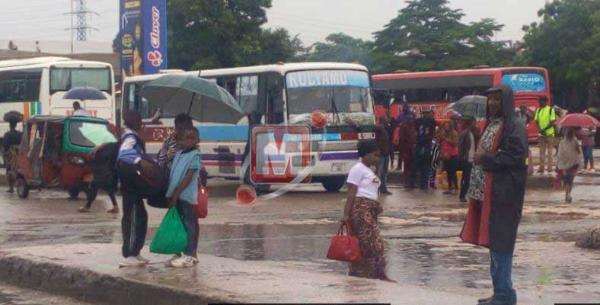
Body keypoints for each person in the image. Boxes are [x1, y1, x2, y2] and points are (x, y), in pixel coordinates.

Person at [460, 85, 528, 305]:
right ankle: (499, 290)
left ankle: (505, 294)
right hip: (486, 192)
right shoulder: (491, 124)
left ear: (507, 101)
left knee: (502, 244)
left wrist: (486, 159)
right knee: (493, 243)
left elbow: (516, 158)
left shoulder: (514, 126)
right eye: (490, 100)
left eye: (498, 100)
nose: (493, 104)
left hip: (504, 194)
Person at [342, 139, 391, 281]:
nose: (378, 158)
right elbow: (351, 192)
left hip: (370, 209)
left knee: (366, 244)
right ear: (366, 155)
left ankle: (368, 274)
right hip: (360, 209)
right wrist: (346, 214)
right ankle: (372, 273)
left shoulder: (369, 170)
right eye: (375, 155)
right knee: (374, 244)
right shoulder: (357, 169)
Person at [116, 111, 149, 268]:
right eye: (140, 121)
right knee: (133, 218)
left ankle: (135, 251)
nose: (142, 124)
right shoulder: (130, 138)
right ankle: (129, 253)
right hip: (131, 184)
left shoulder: (131, 135)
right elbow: (124, 154)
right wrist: (139, 161)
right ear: (135, 123)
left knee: (141, 216)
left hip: (132, 185)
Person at [166, 128, 202, 268]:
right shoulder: (178, 153)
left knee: (189, 224)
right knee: (179, 225)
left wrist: (176, 193)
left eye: (192, 138)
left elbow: (188, 177)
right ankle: (179, 252)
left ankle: (190, 254)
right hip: (174, 195)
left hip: (186, 196)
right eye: (185, 138)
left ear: (197, 140)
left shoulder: (195, 155)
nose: (189, 141)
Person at [408, 109, 436, 190]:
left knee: (425, 166)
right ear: (422, 114)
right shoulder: (418, 121)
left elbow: (432, 132)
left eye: (427, 113)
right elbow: (415, 130)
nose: (426, 115)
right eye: (424, 113)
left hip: (427, 145)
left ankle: (423, 184)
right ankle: (412, 183)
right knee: (415, 165)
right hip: (419, 145)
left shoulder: (432, 121)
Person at [557, 127, 581, 203]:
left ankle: (567, 195)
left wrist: (558, 164)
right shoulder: (575, 141)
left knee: (566, 180)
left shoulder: (562, 142)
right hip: (574, 164)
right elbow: (578, 152)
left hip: (564, 165)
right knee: (570, 180)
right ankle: (568, 194)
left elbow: (560, 154)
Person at [458, 116, 479, 203]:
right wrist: (462, 157)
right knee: (467, 179)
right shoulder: (465, 134)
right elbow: (460, 146)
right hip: (466, 159)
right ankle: (462, 195)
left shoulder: (474, 133)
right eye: (474, 122)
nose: (475, 124)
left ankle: (468, 194)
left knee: (470, 178)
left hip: (473, 158)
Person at [534, 97, 556, 173]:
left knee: (550, 152)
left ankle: (549, 168)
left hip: (549, 134)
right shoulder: (538, 110)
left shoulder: (550, 110)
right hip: (541, 134)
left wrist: (544, 129)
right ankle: (541, 168)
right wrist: (540, 129)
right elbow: (536, 121)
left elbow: (552, 122)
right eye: (539, 101)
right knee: (541, 152)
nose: (540, 103)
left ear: (545, 102)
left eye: (541, 101)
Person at [3, 120, 22, 193]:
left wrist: (5, 154)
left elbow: (5, 146)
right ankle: (19, 185)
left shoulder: (7, 134)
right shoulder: (19, 134)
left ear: (10, 126)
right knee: (17, 169)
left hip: (10, 156)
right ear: (16, 125)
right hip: (18, 154)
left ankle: (11, 188)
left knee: (9, 171)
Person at [440, 121, 459, 195]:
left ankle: (456, 188)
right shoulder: (444, 133)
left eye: (447, 126)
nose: (446, 127)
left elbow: (455, 143)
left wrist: (446, 139)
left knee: (453, 172)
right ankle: (450, 187)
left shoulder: (454, 133)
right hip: (445, 155)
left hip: (453, 155)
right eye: (445, 126)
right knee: (448, 172)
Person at [375, 118, 392, 195]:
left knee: (384, 172)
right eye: (386, 121)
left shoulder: (385, 130)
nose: (388, 122)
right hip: (381, 154)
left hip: (385, 153)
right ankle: (377, 188)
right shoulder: (379, 130)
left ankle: (383, 188)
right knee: (380, 172)